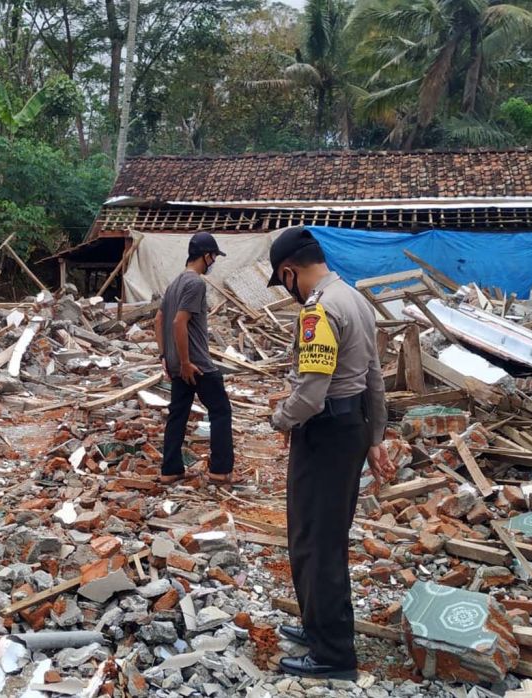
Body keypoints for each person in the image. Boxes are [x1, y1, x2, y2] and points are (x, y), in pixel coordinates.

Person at [266, 226, 394, 679]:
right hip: (352, 427)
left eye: (284, 283)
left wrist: (279, 419)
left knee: (314, 542)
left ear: (288, 272)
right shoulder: (356, 299)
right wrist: (376, 437)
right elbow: (375, 377)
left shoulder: (318, 311)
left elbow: (310, 395)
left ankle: (333, 655)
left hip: (324, 433)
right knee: (327, 536)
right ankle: (317, 626)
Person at [153, 231, 240, 486]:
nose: (213, 262)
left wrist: (166, 357)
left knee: (177, 415)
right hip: (197, 364)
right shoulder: (196, 283)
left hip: (178, 364)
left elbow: (158, 320)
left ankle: (170, 470)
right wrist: (187, 361)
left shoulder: (174, 284)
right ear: (206, 255)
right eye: (213, 257)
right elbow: (179, 322)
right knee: (221, 411)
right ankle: (220, 471)